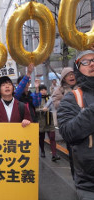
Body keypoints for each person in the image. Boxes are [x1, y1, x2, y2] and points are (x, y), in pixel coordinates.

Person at [58, 50, 94, 199]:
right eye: (85, 62)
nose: (92, 63)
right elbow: (67, 132)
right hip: (90, 185)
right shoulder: (71, 99)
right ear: (77, 69)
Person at [52, 67, 77, 179]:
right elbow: (56, 103)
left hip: (84, 125)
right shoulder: (59, 90)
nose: (71, 76)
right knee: (72, 154)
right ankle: (75, 176)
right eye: (68, 75)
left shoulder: (82, 87)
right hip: (69, 126)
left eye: (73, 74)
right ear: (63, 78)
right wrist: (69, 98)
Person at [37, 84, 60, 161]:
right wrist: (41, 109)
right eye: (42, 90)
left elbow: (54, 107)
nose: (43, 91)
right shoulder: (37, 99)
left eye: (44, 90)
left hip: (50, 121)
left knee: (52, 137)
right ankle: (42, 150)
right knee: (41, 138)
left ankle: (54, 154)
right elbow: (34, 109)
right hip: (41, 122)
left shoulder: (50, 98)